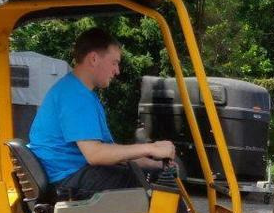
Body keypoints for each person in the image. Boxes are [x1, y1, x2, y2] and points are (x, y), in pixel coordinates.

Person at [28, 27, 175, 197]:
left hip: (69, 175)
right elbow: (95, 154)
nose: (117, 70)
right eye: (114, 62)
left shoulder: (78, 91)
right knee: (150, 192)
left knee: (146, 177)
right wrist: (151, 148)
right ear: (94, 59)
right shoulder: (75, 96)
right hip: (65, 181)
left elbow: (110, 152)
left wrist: (152, 164)